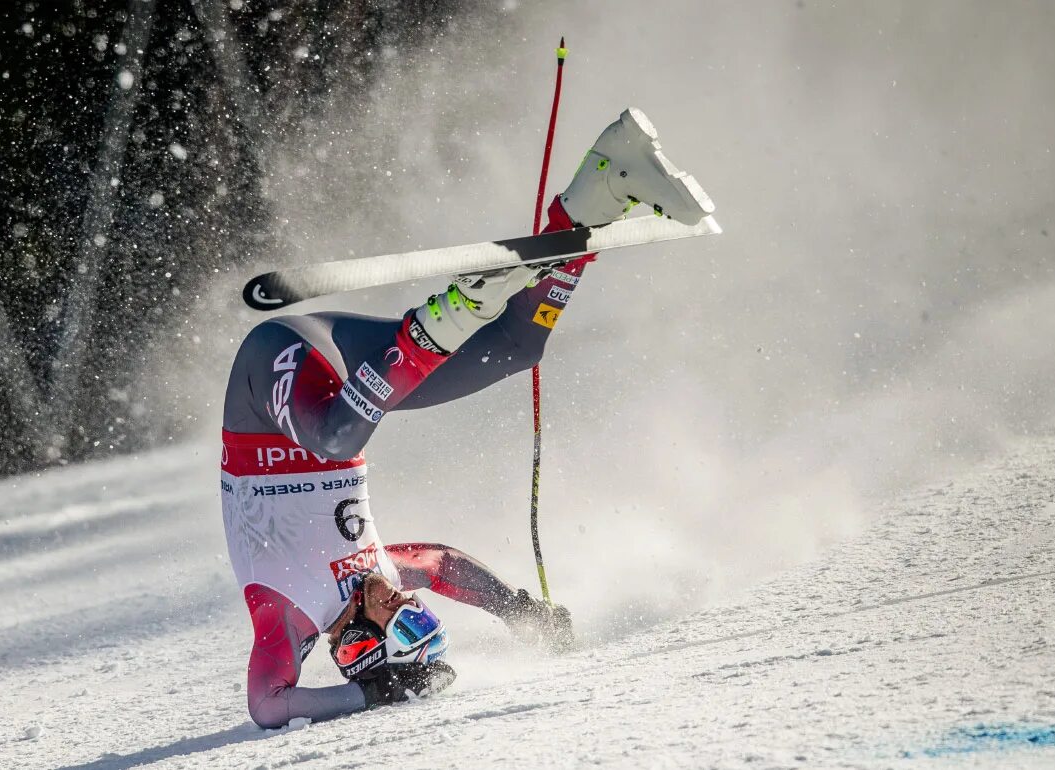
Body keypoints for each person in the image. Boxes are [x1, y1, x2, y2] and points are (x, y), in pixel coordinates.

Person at [220, 107, 714, 729]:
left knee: (334, 436)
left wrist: (373, 697)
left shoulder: (286, 615)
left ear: (360, 648)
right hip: (350, 376)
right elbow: (444, 565)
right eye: (415, 609)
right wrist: (517, 612)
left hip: (269, 384)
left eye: (401, 616)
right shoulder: (384, 575)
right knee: (515, 347)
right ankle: (606, 183)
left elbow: (268, 706)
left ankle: (455, 311)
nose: (404, 596)